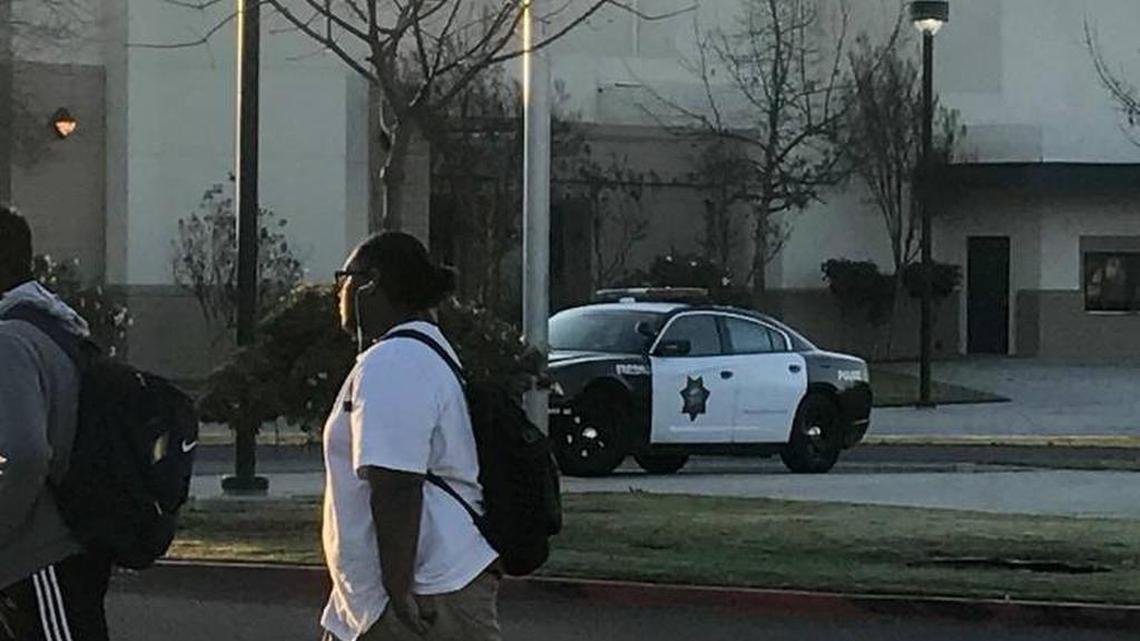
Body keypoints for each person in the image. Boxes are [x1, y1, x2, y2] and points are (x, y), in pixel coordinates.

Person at [320, 232, 502, 641]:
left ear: (373, 282)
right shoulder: (421, 352)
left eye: (344, 278)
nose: (340, 292)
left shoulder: (396, 360)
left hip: (423, 594)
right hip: (380, 599)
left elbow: (396, 484)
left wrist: (397, 589)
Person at [0, 208, 111, 641]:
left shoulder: (10, 341)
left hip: (38, 555)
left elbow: (26, 456)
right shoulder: (53, 324)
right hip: (64, 545)